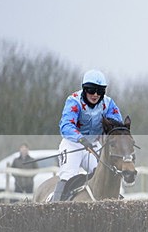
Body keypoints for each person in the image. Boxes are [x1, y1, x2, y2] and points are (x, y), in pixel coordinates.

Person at [52, 69, 124, 201]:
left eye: (100, 91)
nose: (95, 94)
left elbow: (117, 127)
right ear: (84, 89)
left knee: (106, 175)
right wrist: (82, 139)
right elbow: (66, 126)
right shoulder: (73, 101)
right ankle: (54, 208)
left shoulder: (108, 104)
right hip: (73, 144)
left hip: (94, 145)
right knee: (68, 176)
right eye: (91, 90)